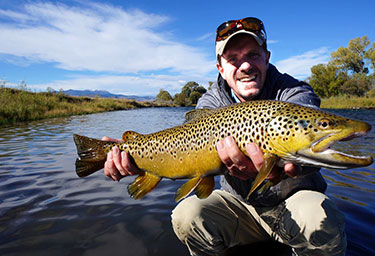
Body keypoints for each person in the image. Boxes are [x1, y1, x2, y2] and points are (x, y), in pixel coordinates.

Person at [103, 17, 347, 256]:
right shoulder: (210, 103)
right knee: (186, 216)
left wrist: (281, 170)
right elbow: (182, 149)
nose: (245, 66)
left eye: (253, 55)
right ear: (220, 67)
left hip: (294, 206)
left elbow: (308, 141)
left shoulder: (294, 92)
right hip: (239, 208)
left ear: (266, 58)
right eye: (233, 59)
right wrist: (135, 158)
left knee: (322, 220)